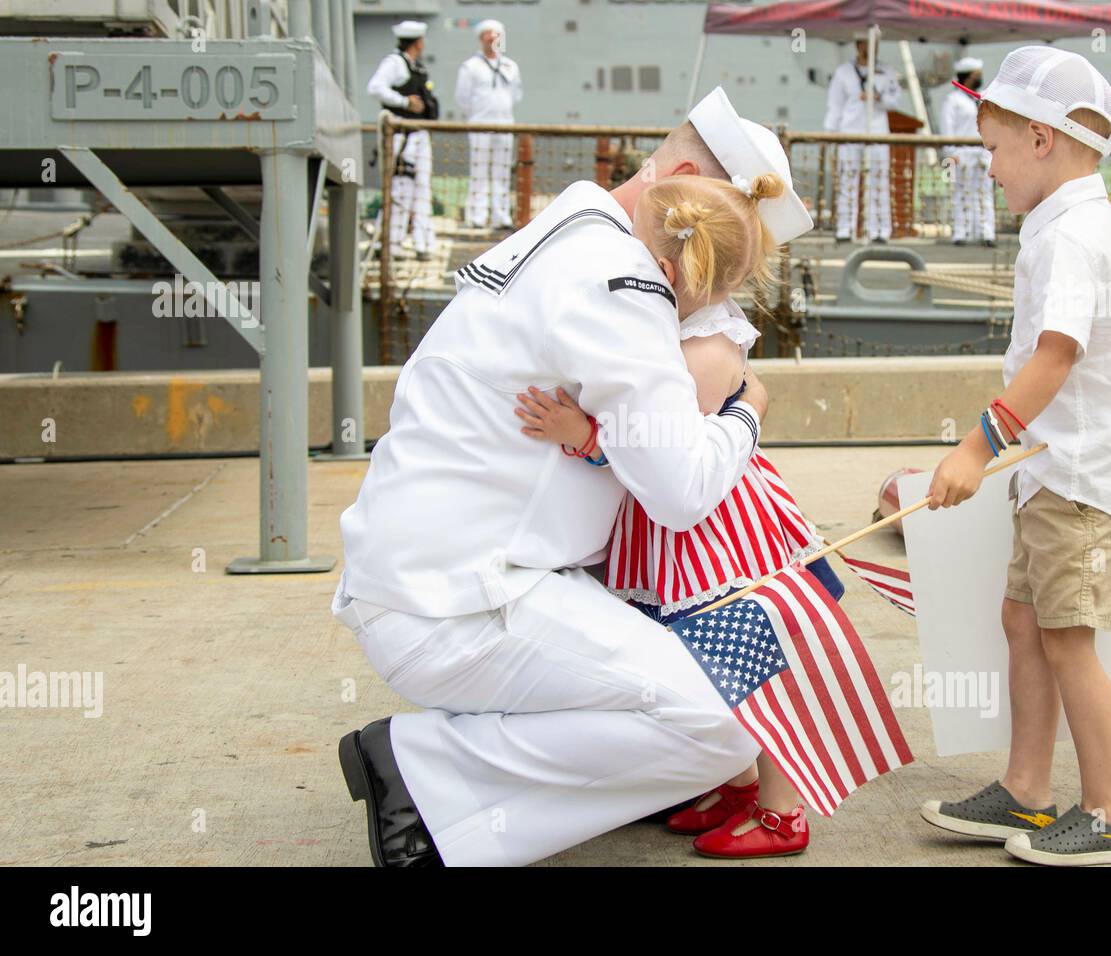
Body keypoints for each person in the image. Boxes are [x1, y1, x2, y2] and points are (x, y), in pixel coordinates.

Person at [331, 86, 814, 868]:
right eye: (714, 260)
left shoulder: (574, 225)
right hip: (467, 600)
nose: (712, 288)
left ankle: (445, 785)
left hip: (432, 578)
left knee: (697, 703)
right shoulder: (622, 280)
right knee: (727, 721)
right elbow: (683, 490)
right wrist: (746, 413)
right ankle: (422, 772)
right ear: (681, 183)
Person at [512, 173, 844, 859]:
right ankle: (738, 781)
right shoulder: (703, 332)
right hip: (697, 524)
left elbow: (666, 462)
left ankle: (784, 810)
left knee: (750, 656)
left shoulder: (699, 353)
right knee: (711, 656)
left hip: (718, 535)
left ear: (663, 270)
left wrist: (584, 436)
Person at [918, 47, 1111, 866]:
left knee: (1066, 636)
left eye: (990, 148)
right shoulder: (1101, 229)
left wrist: (974, 445)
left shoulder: (1067, 237)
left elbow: (1057, 353)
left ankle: (1110, 816)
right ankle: (1027, 793)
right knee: (1024, 620)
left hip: (1081, 481)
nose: (986, 167)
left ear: (1038, 139)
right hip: (1062, 472)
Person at [366, 20, 438, 260]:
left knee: (422, 189)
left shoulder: (416, 67)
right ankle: (391, 243)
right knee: (400, 189)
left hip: (418, 133)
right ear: (418, 42)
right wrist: (404, 102)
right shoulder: (395, 63)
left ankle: (423, 243)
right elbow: (375, 88)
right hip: (402, 137)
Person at [824, 30, 900, 243]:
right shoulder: (844, 72)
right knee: (848, 180)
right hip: (849, 132)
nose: (871, 49)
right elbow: (835, 106)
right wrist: (831, 134)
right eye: (867, 44)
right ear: (858, 45)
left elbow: (894, 101)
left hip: (877, 132)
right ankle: (845, 228)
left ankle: (880, 229)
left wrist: (878, 98)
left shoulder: (886, 72)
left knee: (879, 180)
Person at [456, 19, 522, 230]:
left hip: (505, 123)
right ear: (481, 38)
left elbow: (516, 95)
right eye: (488, 35)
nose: (492, 38)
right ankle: (477, 215)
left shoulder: (510, 67)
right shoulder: (471, 67)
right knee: (479, 169)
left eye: (496, 35)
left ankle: (501, 215)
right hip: (480, 124)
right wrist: (478, 115)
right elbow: (462, 98)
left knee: (502, 171)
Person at [941, 56, 995, 247]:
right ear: (969, 77)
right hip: (961, 153)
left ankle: (986, 233)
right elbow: (947, 127)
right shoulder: (953, 100)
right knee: (961, 193)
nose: (979, 78)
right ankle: (961, 233)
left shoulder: (983, 98)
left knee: (984, 193)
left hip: (981, 152)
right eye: (976, 75)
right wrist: (950, 152)